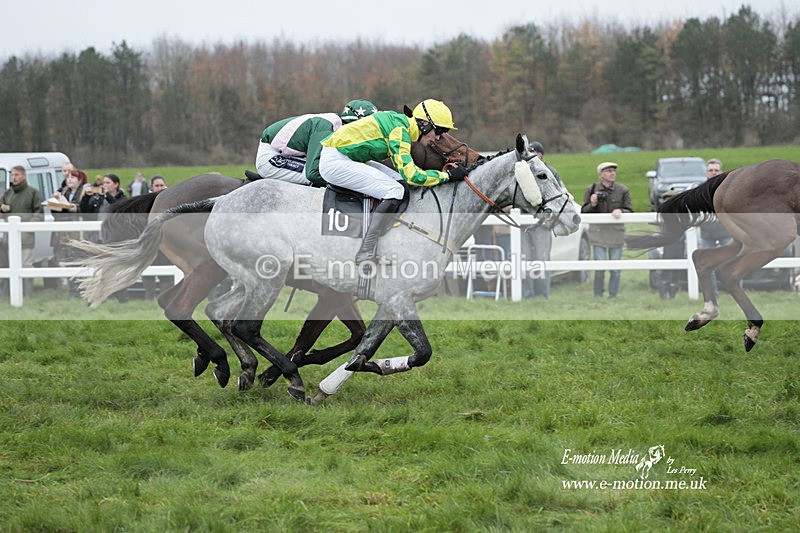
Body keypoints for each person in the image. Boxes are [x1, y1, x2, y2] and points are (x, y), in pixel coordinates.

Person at [319, 99, 467, 267]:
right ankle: (365, 251)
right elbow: (412, 175)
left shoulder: (400, 125)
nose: (439, 137)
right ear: (424, 123)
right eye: (439, 130)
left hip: (346, 157)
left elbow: (405, 175)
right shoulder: (399, 131)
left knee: (399, 182)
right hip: (335, 161)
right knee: (395, 191)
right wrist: (447, 176)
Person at [255, 99, 378, 186]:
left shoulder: (336, 126)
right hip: (271, 158)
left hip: (287, 154)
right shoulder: (326, 127)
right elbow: (313, 173)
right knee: (326, 174)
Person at [581, 162, 633, 298]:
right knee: (600, 267)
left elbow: (630, 210)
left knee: (615, 268)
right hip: (598, 234)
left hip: (616, 234)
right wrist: (593, 204)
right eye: (608, 171)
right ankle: (598, 294)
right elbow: (584, 212)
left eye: (613, 171)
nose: (612, 173)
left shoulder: (623, 190)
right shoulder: (591, 189)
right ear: (601, 174)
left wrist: (620, 211)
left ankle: (613, 295)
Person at [521, 141, 564, 299]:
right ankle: (527, 293)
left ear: (541, 155)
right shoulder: (521, 172)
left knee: (542, 258)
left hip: (543, 223)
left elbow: (560, 194)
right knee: (524, 258)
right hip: (523, 222)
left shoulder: (550, 172)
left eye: (534, 152)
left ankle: (543, 293)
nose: (531, 155)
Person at [1, 166, 43, 295]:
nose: (14, 177)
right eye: (12, 175)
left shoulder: (33, 192)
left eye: (17, 175)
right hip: (9, 238)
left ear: (24, 176)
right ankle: (14, 295)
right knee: (11, 267)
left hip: (26, 239)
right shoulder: (8, 193)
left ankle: (28, 294)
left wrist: (27, 228)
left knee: (25, 266)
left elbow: (39, 214)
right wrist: (3, 209)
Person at [698, 158, 733, 297]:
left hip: (726, 232)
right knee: (707, 265)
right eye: (711, 170)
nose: (713, 172)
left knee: (732, 262)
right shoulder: (700, 190)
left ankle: (734, 291)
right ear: (706, 173)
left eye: (716, 170)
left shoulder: (729, 189)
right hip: (707, 233)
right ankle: (712, 294)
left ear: (721, 172)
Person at [50, 169, 87, 296]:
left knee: (78, 261)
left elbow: (85, 208)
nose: (69, 180)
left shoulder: (84, 192)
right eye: (68, 177)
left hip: (79, 232)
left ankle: (81, 290)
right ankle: (72, 291)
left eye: (73, 177)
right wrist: (55, 203)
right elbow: (56, 213)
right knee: (67, 261)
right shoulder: (63, 192)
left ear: (80, 180)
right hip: (64, 233)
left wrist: (73, 207)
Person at [143, 174, 173, 299]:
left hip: (166, 242)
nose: (160, 188)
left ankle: (164, 298)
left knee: (166, 273)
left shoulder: (170, 201)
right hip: (150, 242)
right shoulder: (145, 202)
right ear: (152, 187)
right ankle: (149, 298)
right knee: (148, 271)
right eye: (157, 185)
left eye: (162, 185)